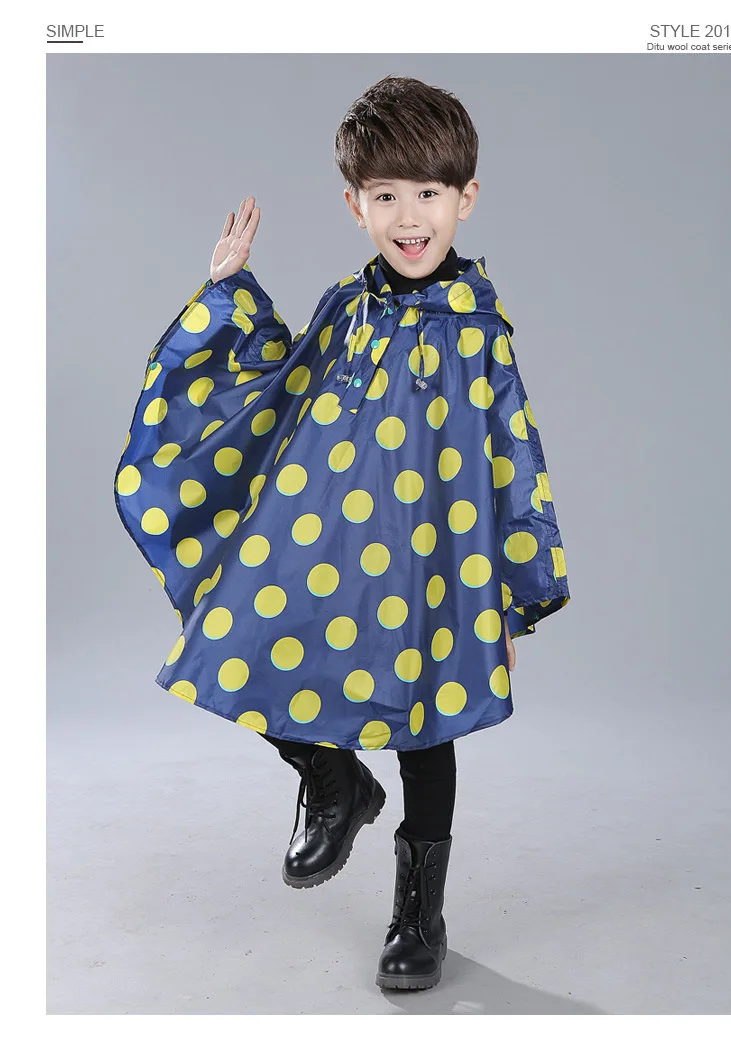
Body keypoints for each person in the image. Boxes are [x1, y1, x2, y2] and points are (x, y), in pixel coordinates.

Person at [114, 75, 571, 992]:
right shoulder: (348, 305)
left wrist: (508, 597)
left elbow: (509, 458)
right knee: (236, 639)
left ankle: (419, 909)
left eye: (428, 193)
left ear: (466, 198)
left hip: (431, 575)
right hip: (327, 555)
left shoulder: (478, 330)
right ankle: (333, 777)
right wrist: (226, 293)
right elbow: (277, 387)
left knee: (423, 733)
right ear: (355, 205)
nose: (409, 217)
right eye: (385, 196)